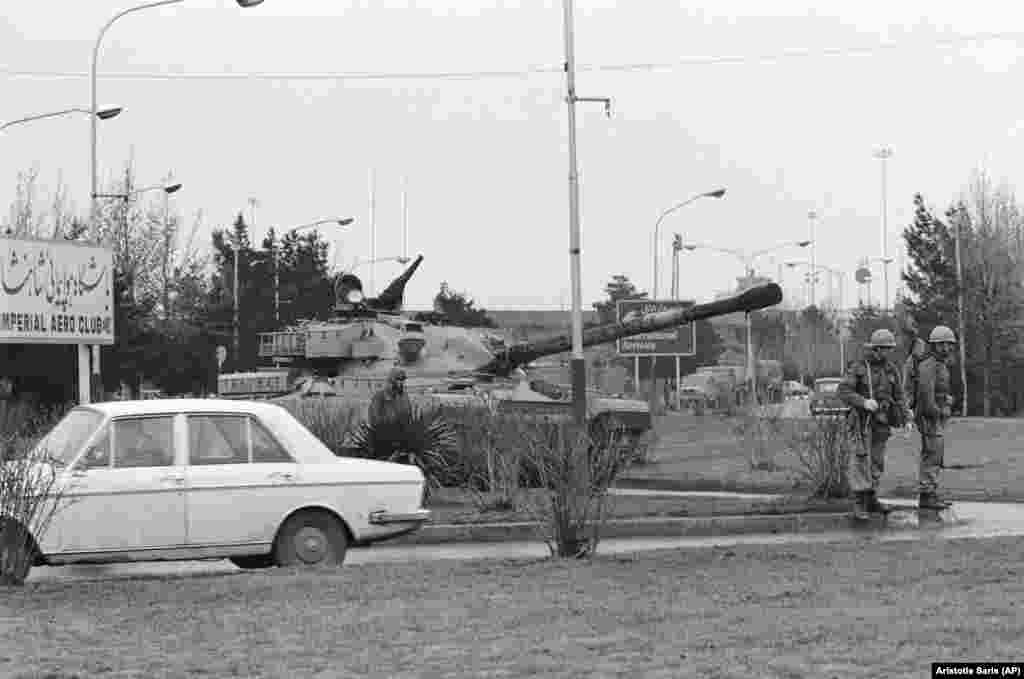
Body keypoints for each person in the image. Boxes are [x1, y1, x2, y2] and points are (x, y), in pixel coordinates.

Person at [837, 328, 911, 520]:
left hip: (882, 423)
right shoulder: (858, 367)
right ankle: (859, 503)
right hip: (861, 423)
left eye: (890, 349)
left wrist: (906, 418)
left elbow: (899, 397)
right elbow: (843, 391)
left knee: (877, 462)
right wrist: (863, 402)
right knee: (861, 460)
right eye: (885, 348)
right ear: (876, 348)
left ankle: (871, 499)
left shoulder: (891, 369)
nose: (888, 352)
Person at [915, 325, 957, 510]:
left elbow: (938, 392)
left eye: (949, 344)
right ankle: (927, 495)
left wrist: (946, 400)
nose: (946, 348)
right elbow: (926, 395)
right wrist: (937, 412)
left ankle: (930, 493)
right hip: (929, 418)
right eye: (942, 345)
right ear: (933, 346)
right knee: (932, 455)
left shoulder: (941, 365)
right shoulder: (928, 366)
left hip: (936, 418)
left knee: (935, 455)